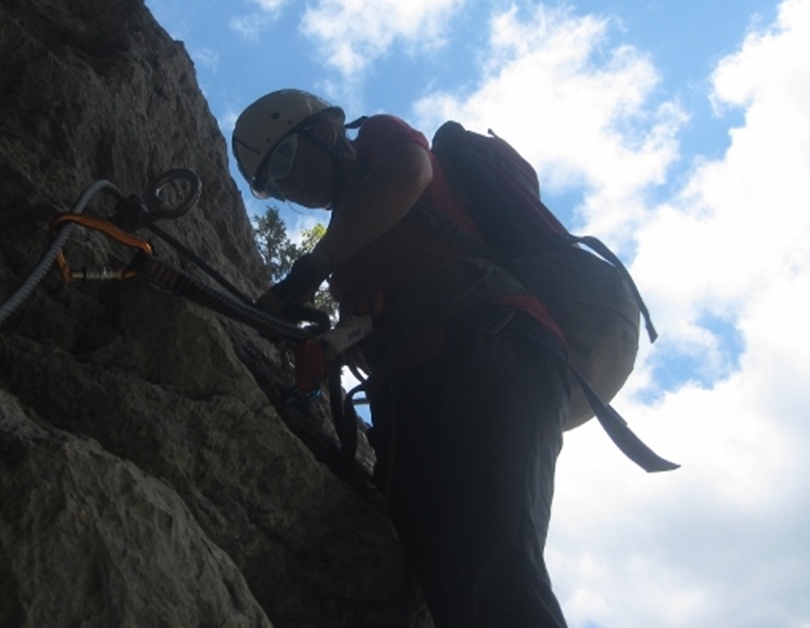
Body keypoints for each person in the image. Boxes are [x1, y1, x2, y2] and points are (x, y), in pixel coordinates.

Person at [232, 89, 571, 628]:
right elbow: (367, 328)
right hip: (413, 390)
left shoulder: (378, 144)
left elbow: (410, 174)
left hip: (495, 341)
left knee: (494, 552)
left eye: (286, 160)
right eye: (272, 185)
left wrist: (309, 270)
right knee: (440, 571)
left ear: (324, 131)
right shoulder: (350, 255)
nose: (287, 185)